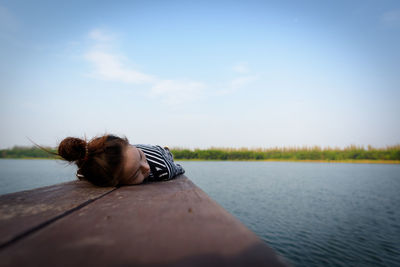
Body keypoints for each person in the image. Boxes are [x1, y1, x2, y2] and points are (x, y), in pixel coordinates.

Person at [57, 134, 185, 187]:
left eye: (140, 157)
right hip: (137, 150)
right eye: (135, 174)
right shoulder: (89, 171)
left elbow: (178, 168)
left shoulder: (163, 169)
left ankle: (164, 149)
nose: (146, 168)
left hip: (160, 153)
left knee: (167, 153)